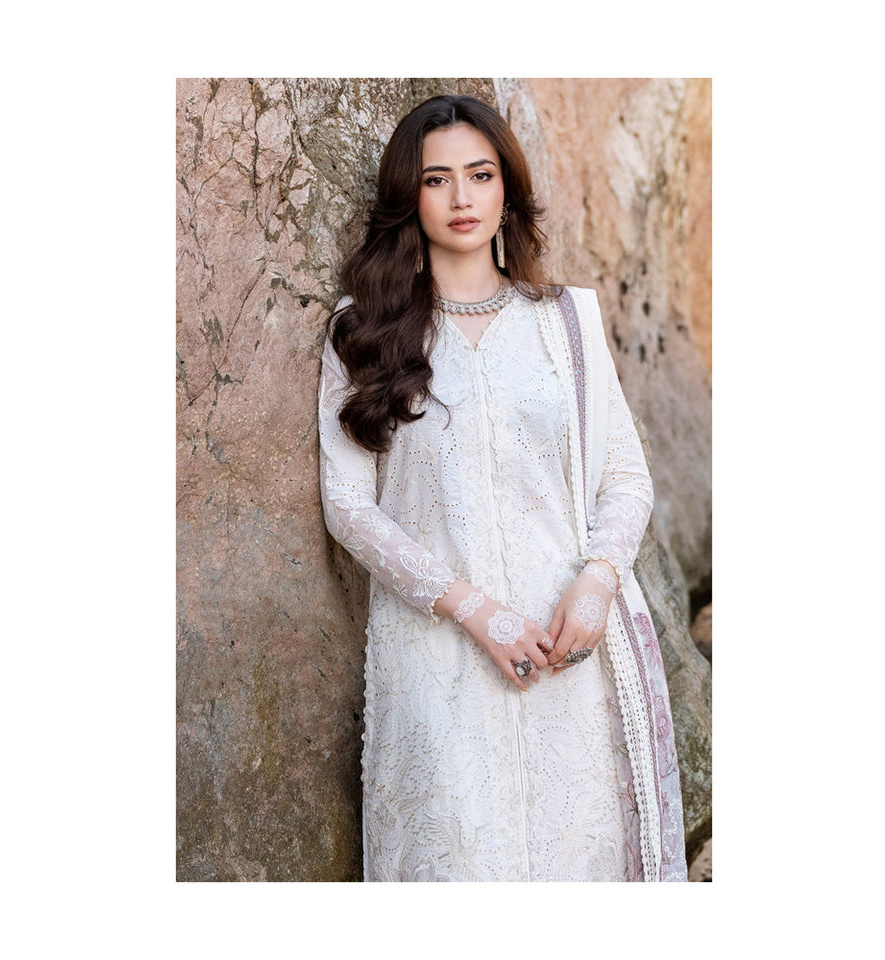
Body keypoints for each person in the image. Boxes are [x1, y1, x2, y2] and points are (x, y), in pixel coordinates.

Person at [317, 94, 686, 881]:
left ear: (507, 189)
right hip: (437, 652)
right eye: (437, 179)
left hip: (564, 646)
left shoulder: (566, 323)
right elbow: (348, 505)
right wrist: (474, 610)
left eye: (480, 175)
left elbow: (626, 477)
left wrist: (597, 582)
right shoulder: (365, 330)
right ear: (409, 195)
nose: (462, 198)